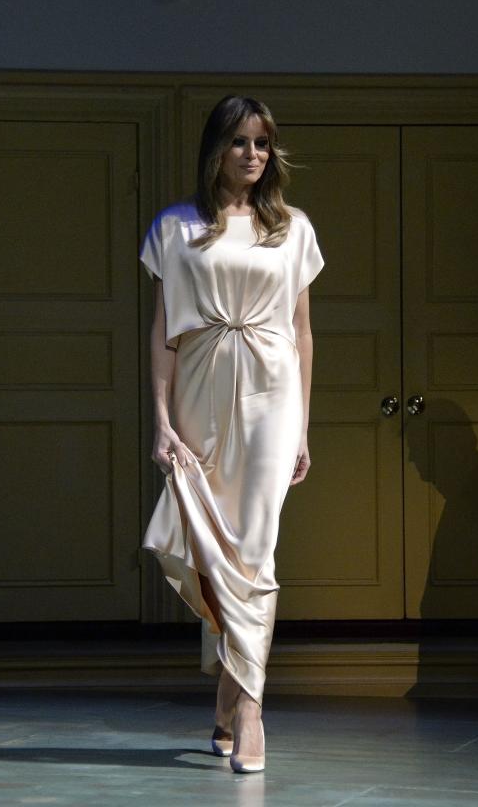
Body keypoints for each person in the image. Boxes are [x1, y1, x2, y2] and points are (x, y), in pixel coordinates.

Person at [141, 95, 323, 773]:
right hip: (200, 393)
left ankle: (250, 709)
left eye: (263, 143)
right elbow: (164, 333)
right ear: (216, 147)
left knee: (256, 550)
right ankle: (227, 695)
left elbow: (303, 332)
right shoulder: (176, 226)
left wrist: (301, 425)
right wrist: (161, 422)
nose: (253, 154)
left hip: (273, 395)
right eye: (241, 142)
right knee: (215, 555)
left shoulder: (293, 228)